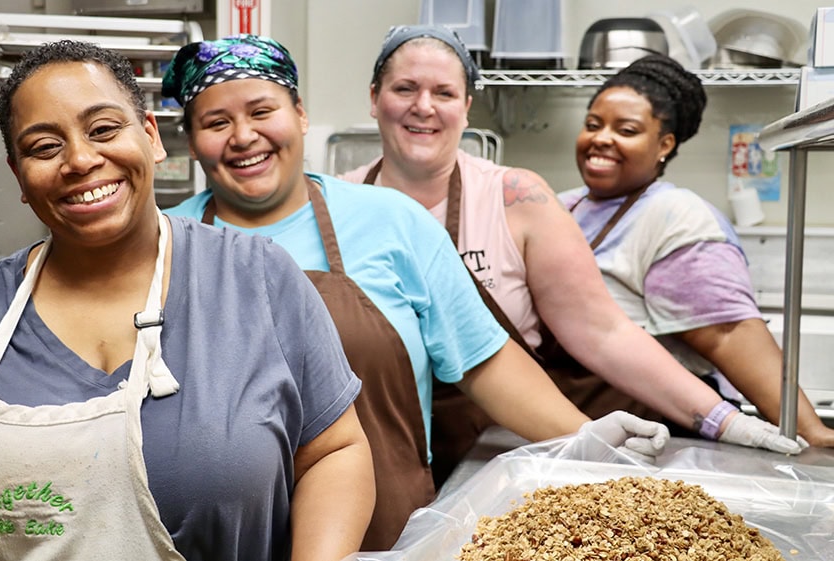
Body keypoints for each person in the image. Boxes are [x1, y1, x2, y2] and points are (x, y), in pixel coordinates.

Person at [0, 40, 376, 561]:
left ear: (151, 136)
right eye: (43, 147)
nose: (81, 160)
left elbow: (334, 452)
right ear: (18, 176)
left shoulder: (258, 277)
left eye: (104, 129)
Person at [161, 34, 670, 551]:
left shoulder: (391, 220)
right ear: (192, 139)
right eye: (216, 122)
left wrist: (585, 436)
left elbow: (484, 362)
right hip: (215, 541)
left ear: (300, 114)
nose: (243, 136)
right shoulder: (164, 243)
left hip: (386, 535)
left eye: (262, 111)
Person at [341, 25, 808, 486]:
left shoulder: (517, 198)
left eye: (443, 92)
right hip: (371, 463)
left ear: (466, 107)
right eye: (405, 88)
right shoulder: (335, 203)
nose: (423, 106)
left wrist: (722, 420)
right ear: (374, 96)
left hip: (501, 464)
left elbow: (603, 331)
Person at [558, 54, 834, 448]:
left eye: (627, 129)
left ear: (664, 144)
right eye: (593, 125)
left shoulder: (676, 218)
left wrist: (810, 431)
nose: (602, 138)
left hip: (653, 436)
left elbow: (728, 335)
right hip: (575, 429)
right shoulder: (560, 205)